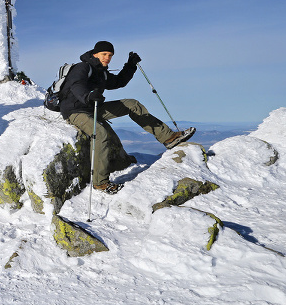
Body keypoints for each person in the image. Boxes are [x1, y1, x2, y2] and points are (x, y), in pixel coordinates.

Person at [59, 40, 195, 194]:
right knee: (101, 134)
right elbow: (76, 85)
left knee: (132, 104)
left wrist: (130, 65)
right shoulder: (83, 67)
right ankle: (100, 182)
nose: (107, 58)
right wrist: (88, 96)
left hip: (93, 106)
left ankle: (168, 137)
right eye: (104, 54)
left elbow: (119, 82)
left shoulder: (101, 72)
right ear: (95, 53)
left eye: (110, 55)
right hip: (75, 110)